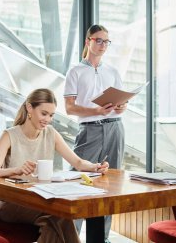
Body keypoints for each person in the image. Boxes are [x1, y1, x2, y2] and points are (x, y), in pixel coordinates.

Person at [0, 88, 109, 243]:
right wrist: (16, 170)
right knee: (58, 216)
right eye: (44, 113)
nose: (47, 119)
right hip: (12, 202)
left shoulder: (51, 133)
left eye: (51, 115)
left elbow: (77, 162)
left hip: (41, 198)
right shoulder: (9, 135)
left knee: (55, 220)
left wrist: (94, 167)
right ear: (30, 108)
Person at [63, 24, 127, 242]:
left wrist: (121, 107)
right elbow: (69, 108)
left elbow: (122, 103)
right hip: (89, 130)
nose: (102, 45)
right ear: (88, 41)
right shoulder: (75, 72)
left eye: (106, 41)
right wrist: (96, 110)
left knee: (111, 182)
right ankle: (70, 236)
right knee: (78, 179)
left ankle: (102, 237)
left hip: (115, 128)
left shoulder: (113, 72)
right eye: (98, 40)